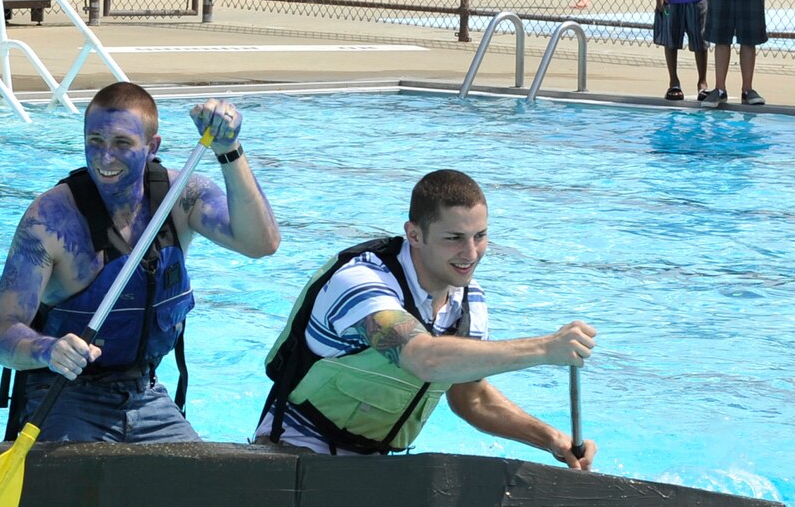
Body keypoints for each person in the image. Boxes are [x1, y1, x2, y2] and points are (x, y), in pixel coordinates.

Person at [0, 81, 280, 444]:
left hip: (145, 395)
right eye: (94, 141)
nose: (104, 158)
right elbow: (0, 335)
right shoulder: (50, 221)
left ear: (151, 147)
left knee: (205, 491)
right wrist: (50, 349)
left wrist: (229, 150)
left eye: (122, 144)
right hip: (63, 394)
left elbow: (261, 244)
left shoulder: (180, 198)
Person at [254, 169, 598, 470]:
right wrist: (545, 349)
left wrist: (551, 439)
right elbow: (424, 359)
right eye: (454, 239)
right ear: (415, 235)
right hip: (293, 451)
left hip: (373, 468)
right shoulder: (361, 282)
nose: (471, 253)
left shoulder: (469, 303)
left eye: (480, 236)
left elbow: (471, 398)